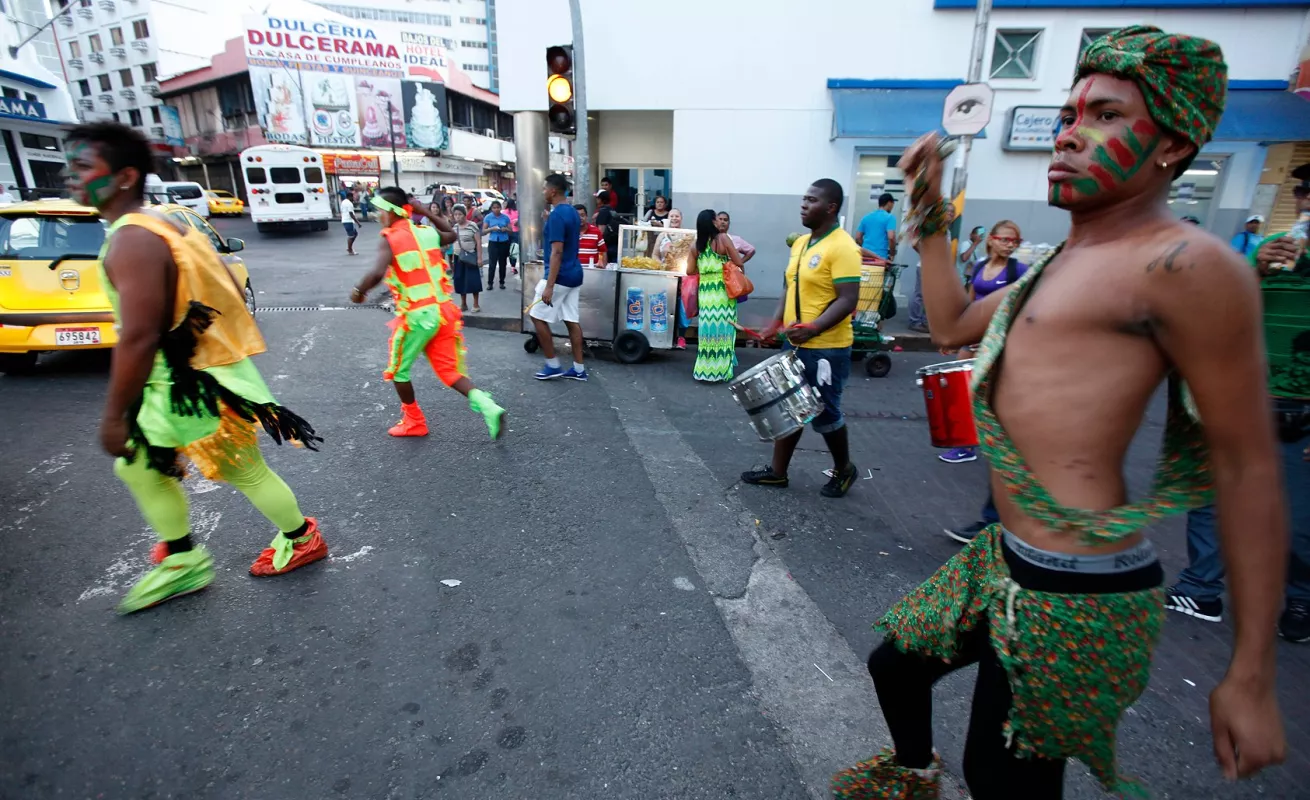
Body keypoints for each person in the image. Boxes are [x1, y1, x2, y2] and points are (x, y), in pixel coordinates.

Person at [832, 27, 1286, 800]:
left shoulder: (1187, 266)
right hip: (1004, 557)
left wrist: (1250, 676)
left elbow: (1247, 467)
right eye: (1072, 113)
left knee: (1004, 778)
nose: (1070, 133)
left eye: (1106, 115)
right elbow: (951, 325)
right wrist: (928, 204)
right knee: (896, 667)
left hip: (1078, 590)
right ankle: (914, 774)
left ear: (1173, 145)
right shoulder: (1059, 264)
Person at [69, 122, 326, 613]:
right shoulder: (166, 222)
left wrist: (113, 416)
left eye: (82, 166)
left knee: (242, 471)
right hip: (190, 380)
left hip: (188, 389)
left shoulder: (133, 239)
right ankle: (184, 554)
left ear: (124, 176)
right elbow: (220, 280)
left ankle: (294, 539)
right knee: (141, 466)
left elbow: (138, 336)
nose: (70, 177)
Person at [1166, 169, 1310, 641]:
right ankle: (1201, 588)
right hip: (1244, 400)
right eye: (1302, 191)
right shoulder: (1270, 250)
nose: (1305, 200)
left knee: (1296, 517)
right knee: (1210, 497)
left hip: (1301, 410)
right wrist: (1253, 270)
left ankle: (1301, 599)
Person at [349, 187, 505, 440]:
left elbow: (377, 273)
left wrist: (358, 291)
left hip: (418, 317)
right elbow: (450, 234)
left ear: (392, 212)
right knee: (449, 371)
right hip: (443, 313)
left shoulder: (390, 237)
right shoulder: (426, 232)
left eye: (380, 211)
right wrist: (426, 213)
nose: (378, 216)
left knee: (398, 371)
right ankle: (488, 405)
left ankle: (414, 422)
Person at [938, 220, 1027, 465]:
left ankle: (1008, 448)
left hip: (998, 341)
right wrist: (955, 336)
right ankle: (965, 445)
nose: (1010, 245)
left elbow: (1025, 310)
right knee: (960, 388)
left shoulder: (1019, 271)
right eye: (1005, 239)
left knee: (993, 396)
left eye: (1015, 241)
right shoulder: (978, 266)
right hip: (974, 338)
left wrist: (1000, 340)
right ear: (991, 240)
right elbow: (970, 303)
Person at [530, 174, 587, 381]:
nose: (543, 192)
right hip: (574, 273)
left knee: (536, 316)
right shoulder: (571, 211)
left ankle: (553, 365)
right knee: (572, 320)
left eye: (545, 188)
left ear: (553, 191)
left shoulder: (556, 216)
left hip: (559, 276)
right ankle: (579, 369)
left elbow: (557, 252)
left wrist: (549, 286)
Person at [687, 209, 743, 383]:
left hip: (705, 293)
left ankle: (705, 369)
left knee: (707, 330)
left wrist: (705, 271)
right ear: (712, 222)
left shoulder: (695, 246)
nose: (720, 222)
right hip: (722, 291)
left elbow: (689, 270)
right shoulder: (723, 239)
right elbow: (738, 262)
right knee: (725, 328)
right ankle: (722, 369)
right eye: (717, 219)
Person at [655, 208, 693, 349]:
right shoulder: (662, 235)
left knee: (683, 307)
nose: (674, 218)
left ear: (681, 218)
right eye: (672, 216)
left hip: (683, 277)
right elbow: (655, 254)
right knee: (664, 305)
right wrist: (660, 266)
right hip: (665, 275)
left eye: (677, 216)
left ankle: (681, 337)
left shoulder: (688, 235)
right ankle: (663, 337)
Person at [449, 204, 483, 313]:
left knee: (473, 281)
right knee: (460, 280)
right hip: (458, 258)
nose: (457, 217)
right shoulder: (455, 227)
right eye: (455, 215)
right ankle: (463, 304)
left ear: (464, 215)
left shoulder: (472, 225)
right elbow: (453, 243)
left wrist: (479, 258)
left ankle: (476, 304)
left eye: (460, 214)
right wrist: (453, 258)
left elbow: (478, 242)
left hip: (470, 257)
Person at [855, 192, 897, 262]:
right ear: (889, 203)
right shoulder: (890, 217)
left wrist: (866, 250)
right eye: (893, 204)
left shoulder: (866, 217)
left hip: (864, 258)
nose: (892, 207)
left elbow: (858, 237)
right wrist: (892, 254)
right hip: (880, 258)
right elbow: (891, 237)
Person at [483, 199, 512, 290]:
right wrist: (492, 229)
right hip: (493, 242)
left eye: (498, 207)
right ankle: (490, 283)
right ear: (491, 209)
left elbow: (511, 230)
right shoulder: (488, 217)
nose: (496, 209)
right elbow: (484, 231)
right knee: (492, 264)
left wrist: (505, 229)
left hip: (503, 242)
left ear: (501, 208)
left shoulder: (505, 217)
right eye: (494, 208)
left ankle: (502, 282)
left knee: (503, 263)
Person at [575, 203, 607, 267]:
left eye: (582, 215)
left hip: (593, 270)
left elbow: (603, 251)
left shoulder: (596, 231)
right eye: (577, 216)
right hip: (574, 271)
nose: (580, 218)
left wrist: (602, 266)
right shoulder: (568, 232)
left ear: (586, 216)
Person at [594, 190, 620, 265]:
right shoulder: (612, 210)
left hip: (607, 245)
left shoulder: (603, 212)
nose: (596, 200)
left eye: (597, 198)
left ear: (601, 199)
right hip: (615, 243)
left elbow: (601, 231)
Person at [342, 190, 360, 256]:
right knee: (351, 236)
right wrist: (358, 222)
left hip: (345, 220)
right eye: (353, 197)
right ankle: (350, 249)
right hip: (348, 221)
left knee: (355, 234)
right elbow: (351, 214)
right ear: (350, 197)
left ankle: (349, 248)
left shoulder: (343, 202)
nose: (353, 198)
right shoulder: (349, 203)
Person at [506, 198, 520, 274]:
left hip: (507, 232)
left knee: (508, 249)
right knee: (514, 250)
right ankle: (513, 266)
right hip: (515, 232)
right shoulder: (517, 212)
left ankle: (507, 264)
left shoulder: (503, 212)